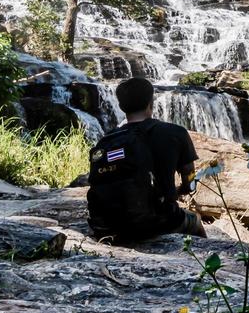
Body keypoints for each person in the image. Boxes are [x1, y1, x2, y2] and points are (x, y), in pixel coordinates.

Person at [87, 77, 208, 241]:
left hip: (111, 225)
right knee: (196, 220)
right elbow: (190, 177)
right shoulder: (175, 133)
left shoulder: (108, 140)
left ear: (121, 107)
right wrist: (183, 189)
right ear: (151, 102)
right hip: (158, 221)